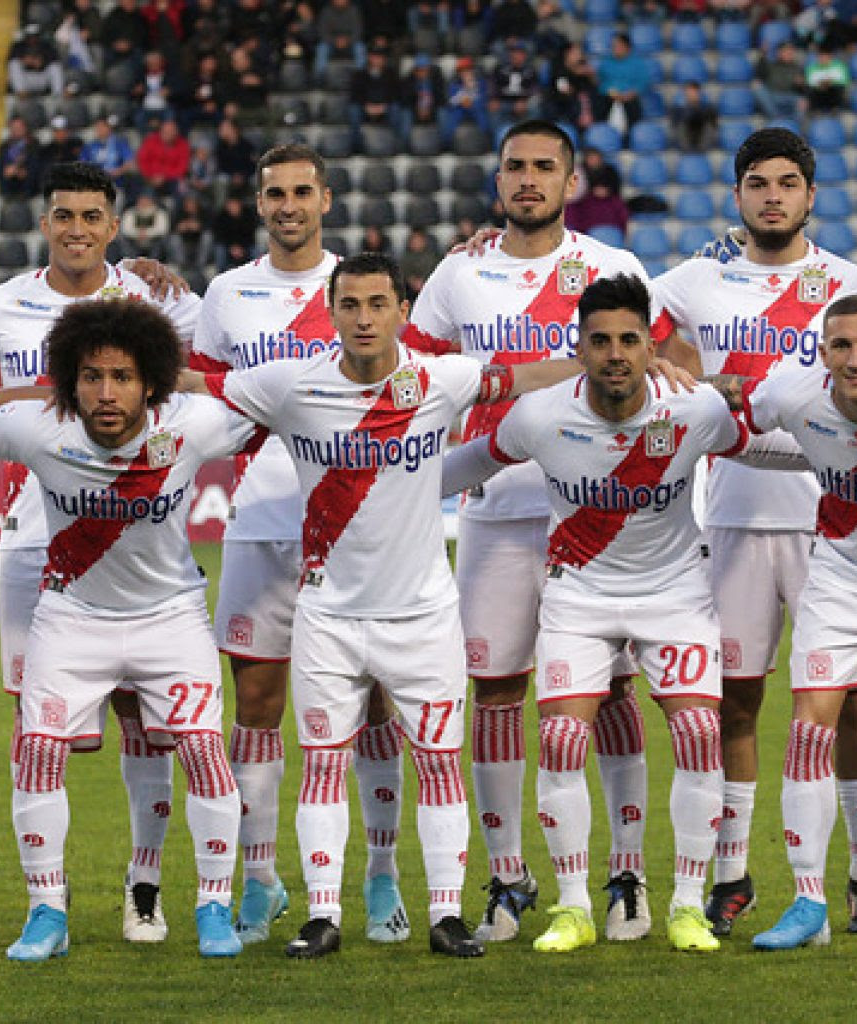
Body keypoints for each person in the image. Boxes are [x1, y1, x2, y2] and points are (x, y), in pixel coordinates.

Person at [188, 252, 583, 959]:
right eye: (351, 305)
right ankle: (320, 914)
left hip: (424, 616)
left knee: (437, 763)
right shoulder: (289, 383)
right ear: (331, 311)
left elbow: (525, 374)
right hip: (327, 618)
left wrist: (620, 370)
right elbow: (198, 382)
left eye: (379, 303)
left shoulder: (440, 379)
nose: (365, 318)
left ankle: (443, 915)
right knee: (323, 767)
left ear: (403, 310)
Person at [0, 300, 259, 961]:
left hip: (171, 617)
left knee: (200, 747)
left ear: (153, 382)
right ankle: (47, 910)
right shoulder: (35, 426)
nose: (107, 395)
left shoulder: (193, 423)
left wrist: (206, 382)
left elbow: (288, 401)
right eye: (90, 377)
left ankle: (213, 905)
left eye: (124, 377)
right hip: (72, 619)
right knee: (39, 750)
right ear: (68, 382)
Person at [442, 273, 756, 953]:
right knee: (559, 740)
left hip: (675, 594)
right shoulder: (539, 415)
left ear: (651, 346)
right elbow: (465, 465)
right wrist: (380, 476)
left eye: (630, 340)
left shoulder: (694, 408)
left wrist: (853, 453)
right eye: (601, 340)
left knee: (701, 729)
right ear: (577, 348)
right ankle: (574, 907)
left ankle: (687, 906)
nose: (616, 353)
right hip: (579, 597)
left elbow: (763, 450)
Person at [403, 120, 654, 944]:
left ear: (571, 181)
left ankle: (626, 875)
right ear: (497, 177)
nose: (528, 179)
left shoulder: (612, 268)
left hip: (597, 508)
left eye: (545, 167)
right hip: (495, 508)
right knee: (499, 687)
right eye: (514, 166)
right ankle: (508, 879)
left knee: (611, 689)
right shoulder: (458, 273)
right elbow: (414, 378)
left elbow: (652, 371)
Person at [652, 128, 857, 937]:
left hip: (837, 522)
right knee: (737, 701)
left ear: (811, 194)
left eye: (787, 183)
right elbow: (610, 313)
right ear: (737, 195)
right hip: (732, 515)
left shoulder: (851, 284)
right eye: (757, 183)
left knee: (848, 702)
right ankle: (732, 876)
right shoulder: (697, 278)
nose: (772, 197)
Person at [0, 162, 201, 947]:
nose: (76, 229)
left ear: (114, 223)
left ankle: (145, 886)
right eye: (63, 214)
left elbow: (205, 388)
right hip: (33, 538)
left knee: (146, 722)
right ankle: (46, 905)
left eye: (91, 216)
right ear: (45, 222)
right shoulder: (0, 306)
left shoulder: (155, 297)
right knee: (39, 728)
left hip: (135, 543)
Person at [190, 144, 410, 945]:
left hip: (361, 524)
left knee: (374, 703)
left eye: (301, 192)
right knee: (255, 706)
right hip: (261, 519)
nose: (288, 205)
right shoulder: (228, 294)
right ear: (259, 203)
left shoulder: (359, 287)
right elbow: (203, 392)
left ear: (326, 199)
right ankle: (259, 880)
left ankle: (381, 877)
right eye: (274, 193)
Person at [709, 295, 857, 949]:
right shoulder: (794, 394)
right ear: (823, 351)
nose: (855, 358)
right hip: (840, 583)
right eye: (840, 345)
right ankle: (809, 902)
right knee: (808, 729)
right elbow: (735, 419)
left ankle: (856, 885)